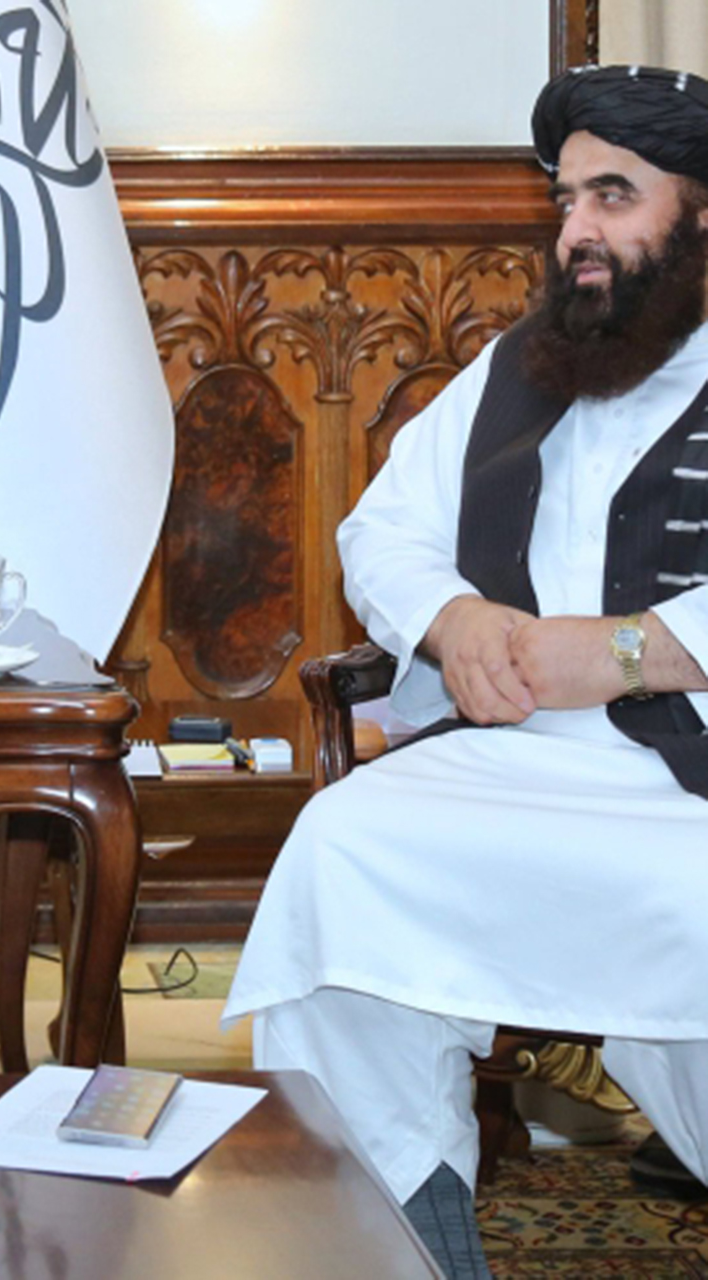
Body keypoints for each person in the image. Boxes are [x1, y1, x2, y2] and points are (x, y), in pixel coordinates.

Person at [224, 65, 708, 1280]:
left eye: (614, 196)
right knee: (345, 857)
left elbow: (635, 646)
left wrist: (634, 647)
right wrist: (451, 618)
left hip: (687, 783)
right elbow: (379, 532)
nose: (578, 229)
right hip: (508, 756)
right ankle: (404, 1249)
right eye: (566, 200)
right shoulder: (521, 365)